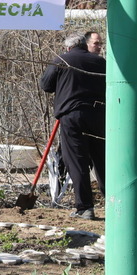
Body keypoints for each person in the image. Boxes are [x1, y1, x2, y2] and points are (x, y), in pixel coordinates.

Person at [40, 33, 106, 219]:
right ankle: (114, 202)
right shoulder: (100, 62)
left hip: (71, 117)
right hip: (99, 115)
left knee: (76, 161)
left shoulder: (62, 60)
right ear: (84, 46)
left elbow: (46, 85)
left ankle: (85, 207)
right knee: (101, 159)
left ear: (68, 48)